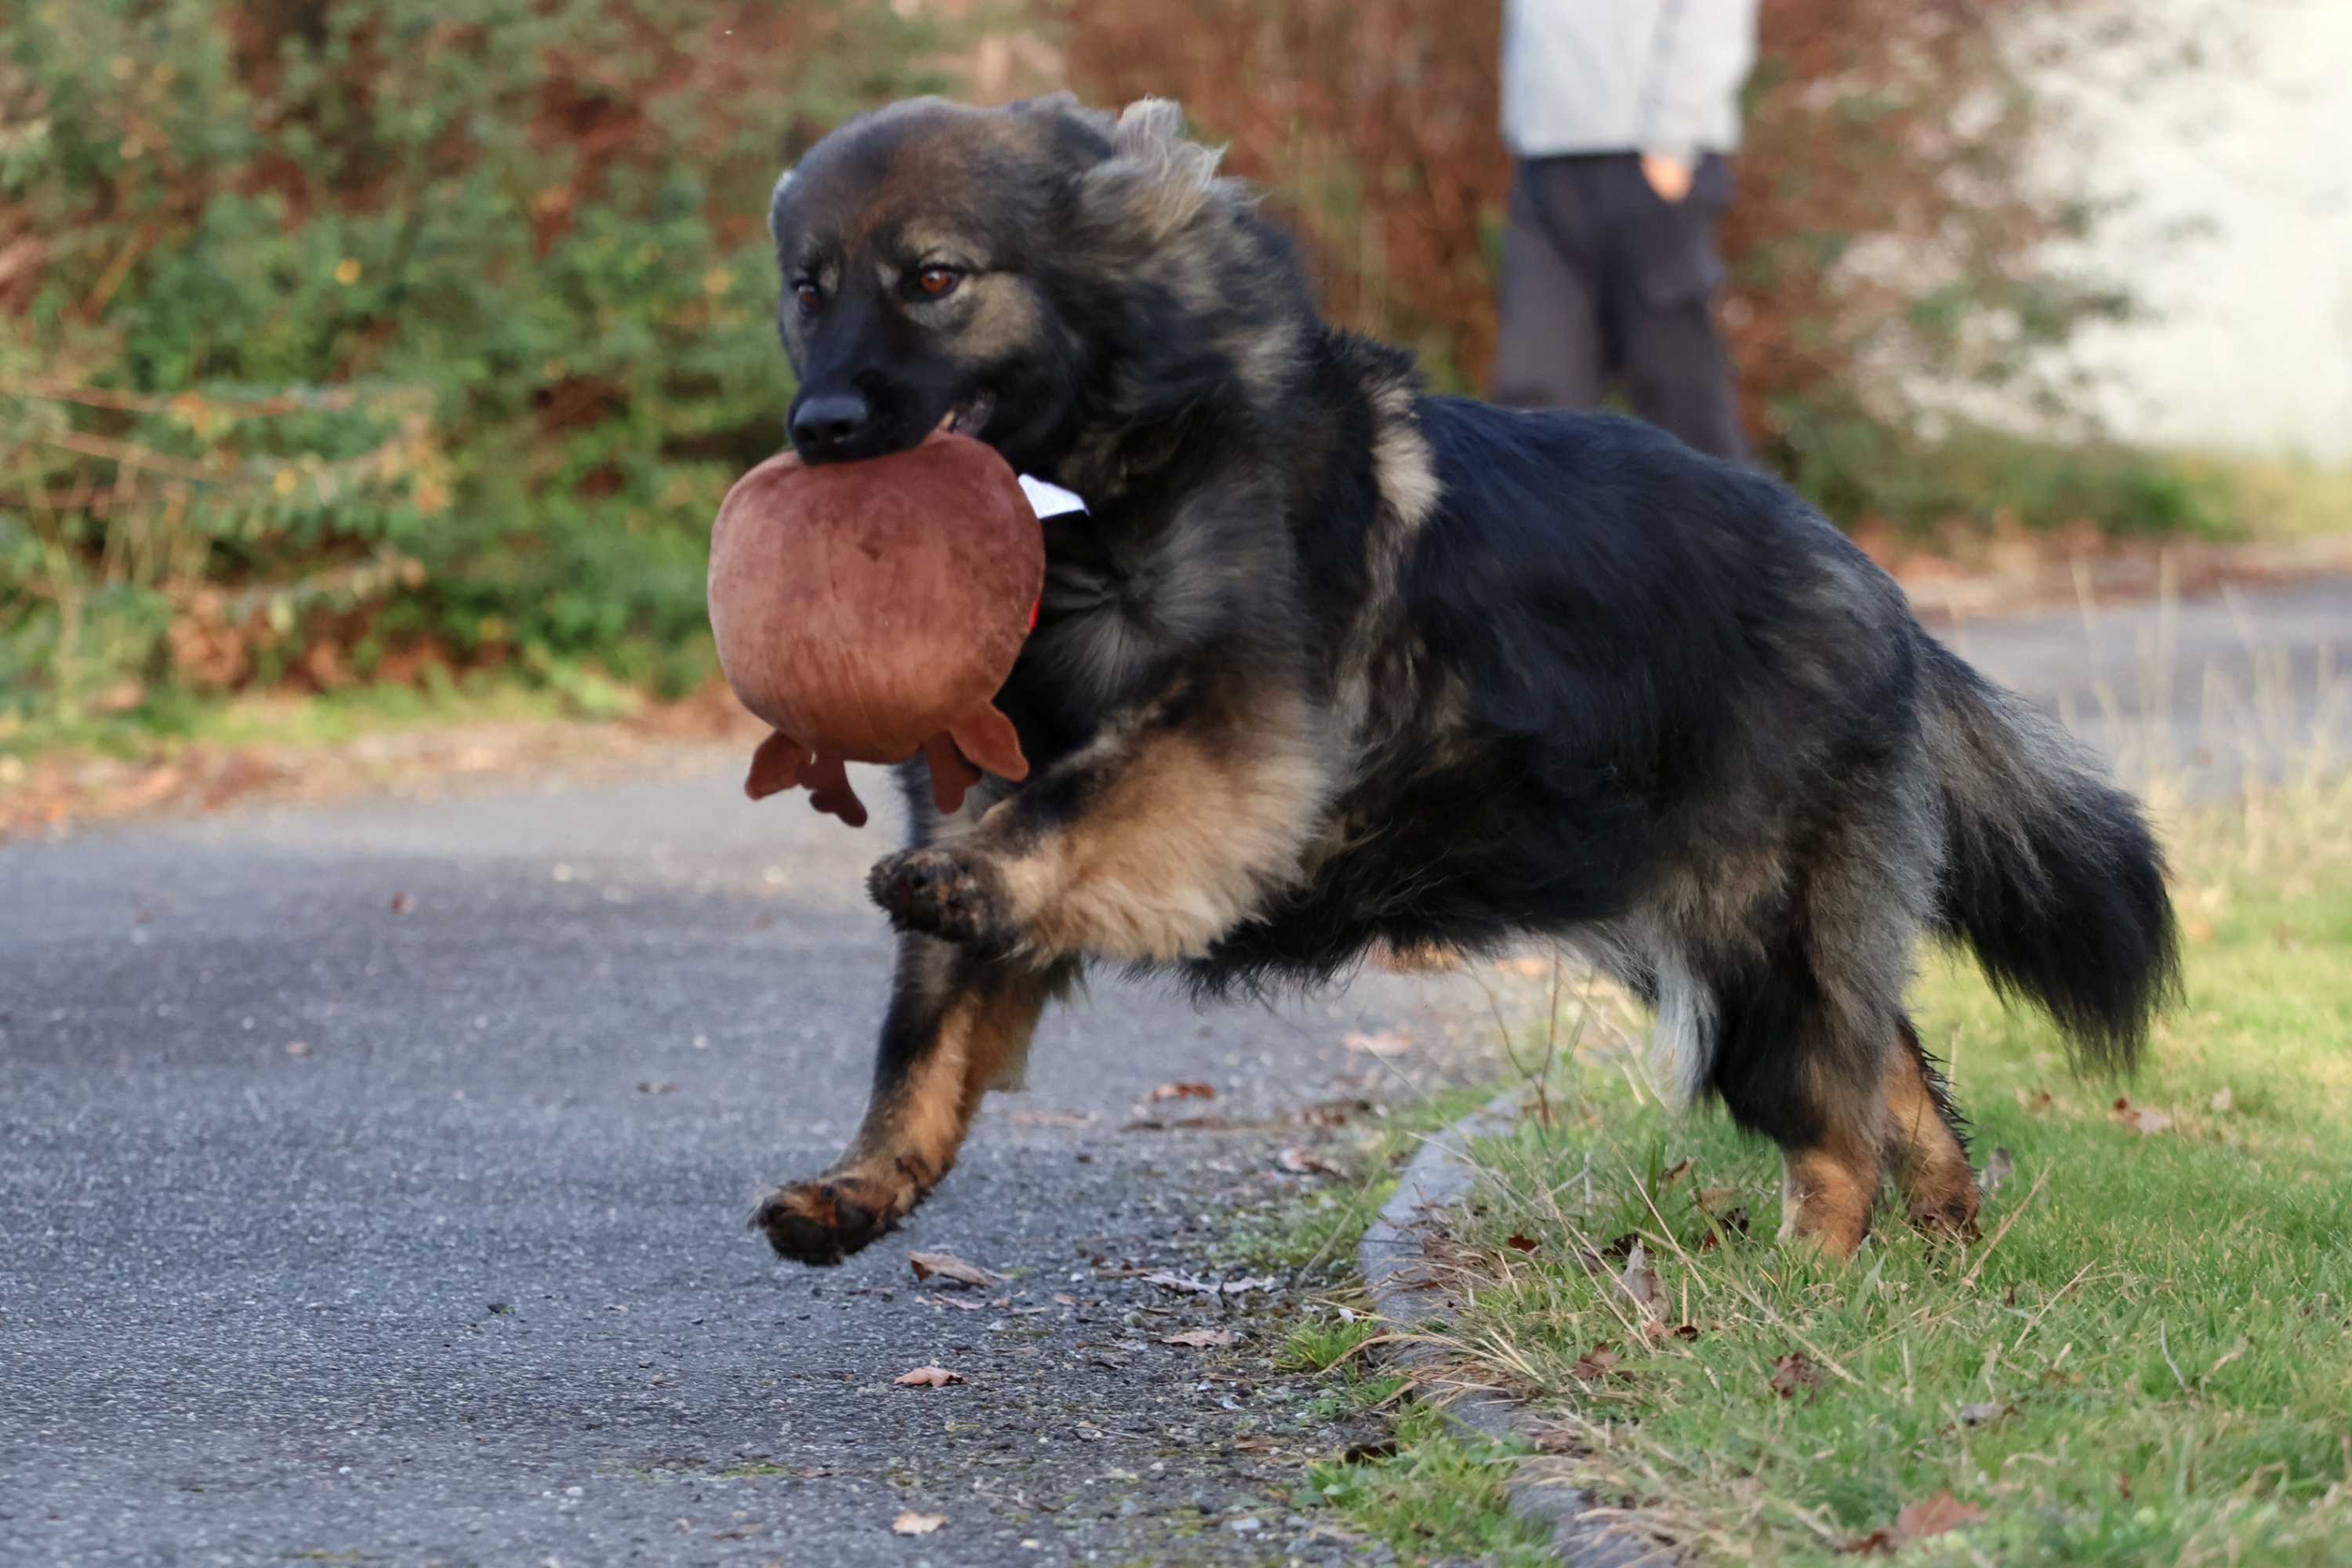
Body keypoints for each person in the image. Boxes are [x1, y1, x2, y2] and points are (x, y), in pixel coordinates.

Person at [1493, 0, 1758, 463]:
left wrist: (1674, 136)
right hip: (1545, 161)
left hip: (1649, 161)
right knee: (1531, 402)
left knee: (1680, 402)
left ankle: (1724, 515)